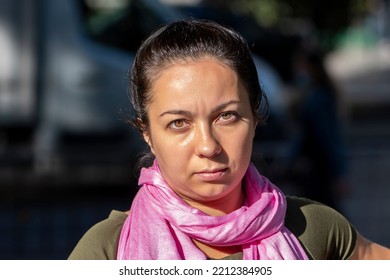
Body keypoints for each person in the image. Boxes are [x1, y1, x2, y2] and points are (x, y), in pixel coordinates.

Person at [68, 19, 390, 260]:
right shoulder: (106, 251)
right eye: (179, 123)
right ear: (148, 134)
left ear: (254, 118)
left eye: (227, 116)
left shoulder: (313, 229)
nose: (208, 146)